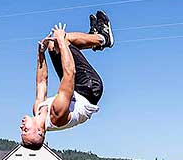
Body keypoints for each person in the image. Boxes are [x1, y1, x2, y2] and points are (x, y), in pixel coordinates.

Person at [20, 11, 114, 150]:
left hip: (75, 88)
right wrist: (62, 40)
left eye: (22, 130)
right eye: (25, 130)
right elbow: (70, 73)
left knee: (52, 45)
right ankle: (103, 38)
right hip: (89, 89)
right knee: (62, 40)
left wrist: (41, 53)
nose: (21, 126)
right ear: (40, 132)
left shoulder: (38, 110)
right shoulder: (57, 115)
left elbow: (41, 82)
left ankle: (92, 37)